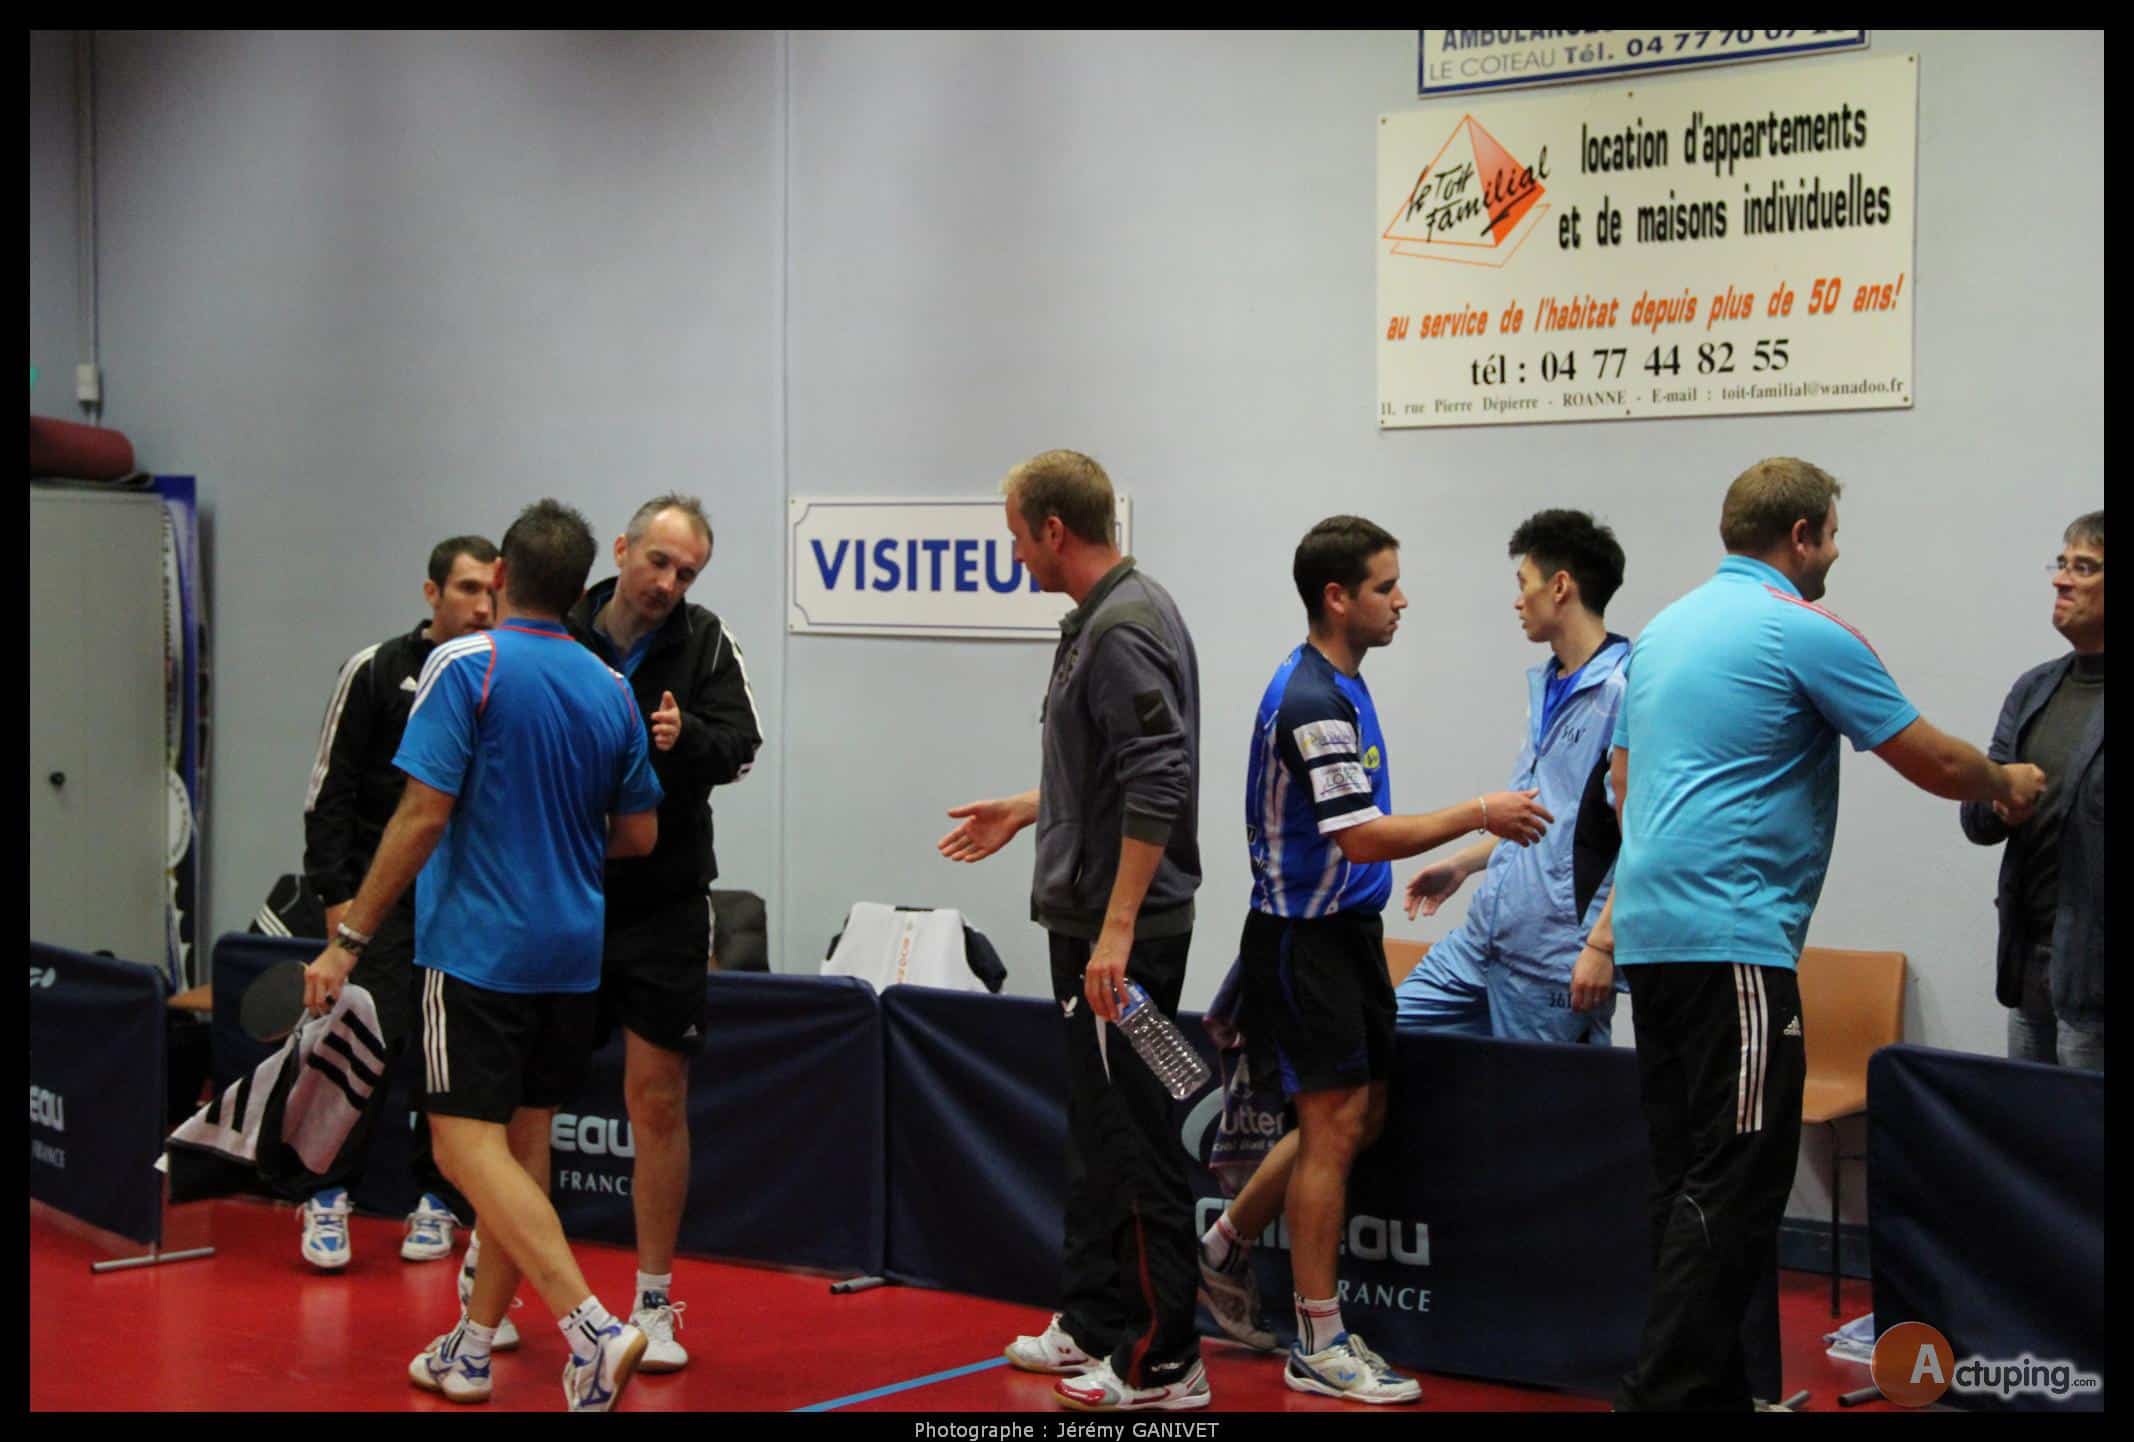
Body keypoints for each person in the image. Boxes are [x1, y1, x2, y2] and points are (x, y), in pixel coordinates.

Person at [1594, 458, 2046, 1411]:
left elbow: (1626, 785)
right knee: (1738, 1176)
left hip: (1652, 939)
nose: (1836, 551)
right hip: (1734, 943)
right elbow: (1931, 760)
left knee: (1686, 1174)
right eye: (1832, 533)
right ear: (1800, 536)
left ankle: (1712, 1396)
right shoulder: (1800, 628)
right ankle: (1662, 1397)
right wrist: (2006, 782)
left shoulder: (1663, 632)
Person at [302, 498, 667, 1412]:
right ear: (579, 588)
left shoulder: (466, 663)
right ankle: (469, 1349)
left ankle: (591, 1328)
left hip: (476, 950)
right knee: (522, 1149)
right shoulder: (610, 686)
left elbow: (420, 813)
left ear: (502, 576)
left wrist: (348, 940)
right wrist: (552, 837)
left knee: (464, 1146)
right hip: (571, 953)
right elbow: (639, 835)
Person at [1191, 515, 1551, 1406]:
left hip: (1347, 936)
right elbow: (1358, 837)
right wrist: (1481, 814)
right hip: (1302, 943)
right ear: (1337, 598)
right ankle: (1318, 1341)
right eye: (1386, 587)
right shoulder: (1312, 701)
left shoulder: (1345, 683)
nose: (1402, 600)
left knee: (1362, 1115)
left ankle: (1224, 1246)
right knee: (1332, 1130)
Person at [938, 449, 1211, 1412]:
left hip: (1118, 936)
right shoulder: (1099, 619)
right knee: (1098, 1134)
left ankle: (1165, 1362)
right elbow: (1105, 771)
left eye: (1017, 536)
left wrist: (1117, 931)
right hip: (1091, 922)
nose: (1014, 553)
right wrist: (1030, 808)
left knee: (1136, 1139)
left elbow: (1159, 780)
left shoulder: (1124, 626)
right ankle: (1094, 1321)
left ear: (1055, 529)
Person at [564, 493, 764, 1370]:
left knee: (657, 1101)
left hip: (665, 904)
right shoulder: (559, 628)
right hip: (564, 895)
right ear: (621, 549)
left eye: (686, 573)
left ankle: (653, 1300)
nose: (669, 584)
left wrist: (687, 740)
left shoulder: (706, 641)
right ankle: (493, 1278)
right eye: (658, 563)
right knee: (526, 1101)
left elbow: (743, 746)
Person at [296, 535, 497, 1275]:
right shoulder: (376, 670)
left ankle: (438, 1199)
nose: (483, 606)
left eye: (493, 592)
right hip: (378, 902)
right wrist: (338, 898)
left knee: (447, 1059)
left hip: (466, 903)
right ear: (432, 593)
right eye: (468, 589)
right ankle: (326, 1193)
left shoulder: (500, 675)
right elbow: (330, 791)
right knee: (358, 1046)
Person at [1392, 508, 1632, 1043]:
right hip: (1484, 942)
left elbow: (1645, 836)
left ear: (1560, 586)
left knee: (1540, 1099)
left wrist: (1602, 946)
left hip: (1554, 964)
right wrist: (1465, 862)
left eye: (1524, 584)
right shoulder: (1549, 682)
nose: (1518, 601)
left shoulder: (1623, 691)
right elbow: (1549, 820)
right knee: (1380, 1038)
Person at [1960, 510, 2104, 1071]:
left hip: (2096, 982)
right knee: (2027, 1123)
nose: (2061, 580)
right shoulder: (2035, 688)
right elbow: (1976, 817)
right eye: (2061, 564)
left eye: (2084, 567)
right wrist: (2000, 806)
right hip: (2029, 970)